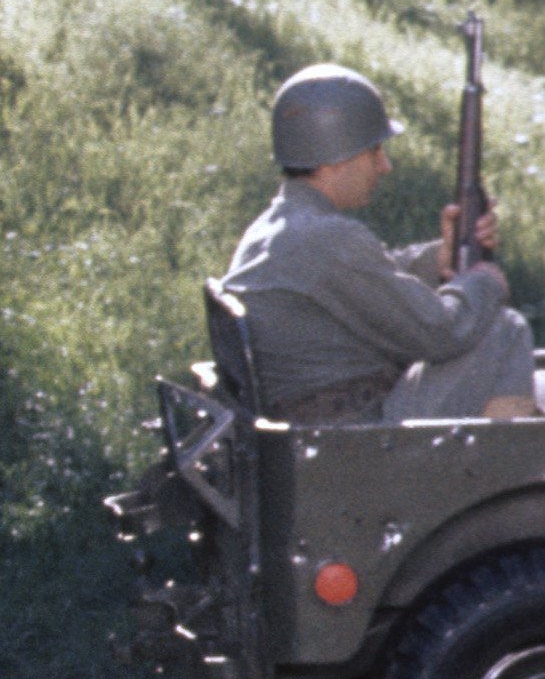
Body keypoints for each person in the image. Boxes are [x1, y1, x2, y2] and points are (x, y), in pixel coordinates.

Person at [224, 64, 535, 423]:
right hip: (351, 443)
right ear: (335, 158)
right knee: (503, 329)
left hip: (313, 431)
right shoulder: (328, 239)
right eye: (374, 151)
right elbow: (440, 331)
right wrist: (483, 281)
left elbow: (366, 279)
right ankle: (506, 476)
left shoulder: (278, 229)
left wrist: (439, 258)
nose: (384, 166)